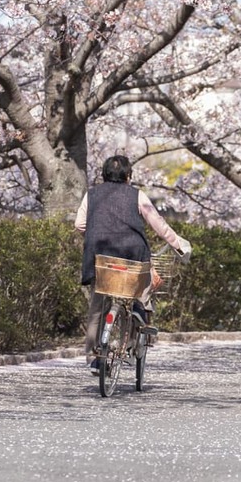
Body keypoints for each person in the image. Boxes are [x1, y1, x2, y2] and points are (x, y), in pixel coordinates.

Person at [74, 155, 192, 374]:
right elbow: (159, 225)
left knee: (97, 309)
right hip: (132, 254)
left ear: (104, 174)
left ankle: (94, 358)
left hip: (100, 257)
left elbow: (80, 224)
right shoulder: (137, 196)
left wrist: (96, 234)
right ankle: (138, 314)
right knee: (141, 288)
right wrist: (178, 244)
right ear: (128, 176)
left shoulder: (91, 195)